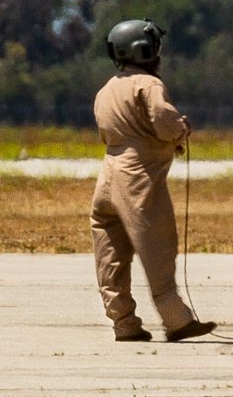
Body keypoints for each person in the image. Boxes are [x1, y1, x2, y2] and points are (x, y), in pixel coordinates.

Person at [91, 19, 216, 343]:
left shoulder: (107, 88)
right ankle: (177, 321)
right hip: (138, 178)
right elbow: (162, 120)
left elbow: (108, 130)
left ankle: (124, 323)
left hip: (107, 174)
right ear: (144, 50)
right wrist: (180, 129)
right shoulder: (148, 84)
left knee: (110, 253)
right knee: (156, 247)